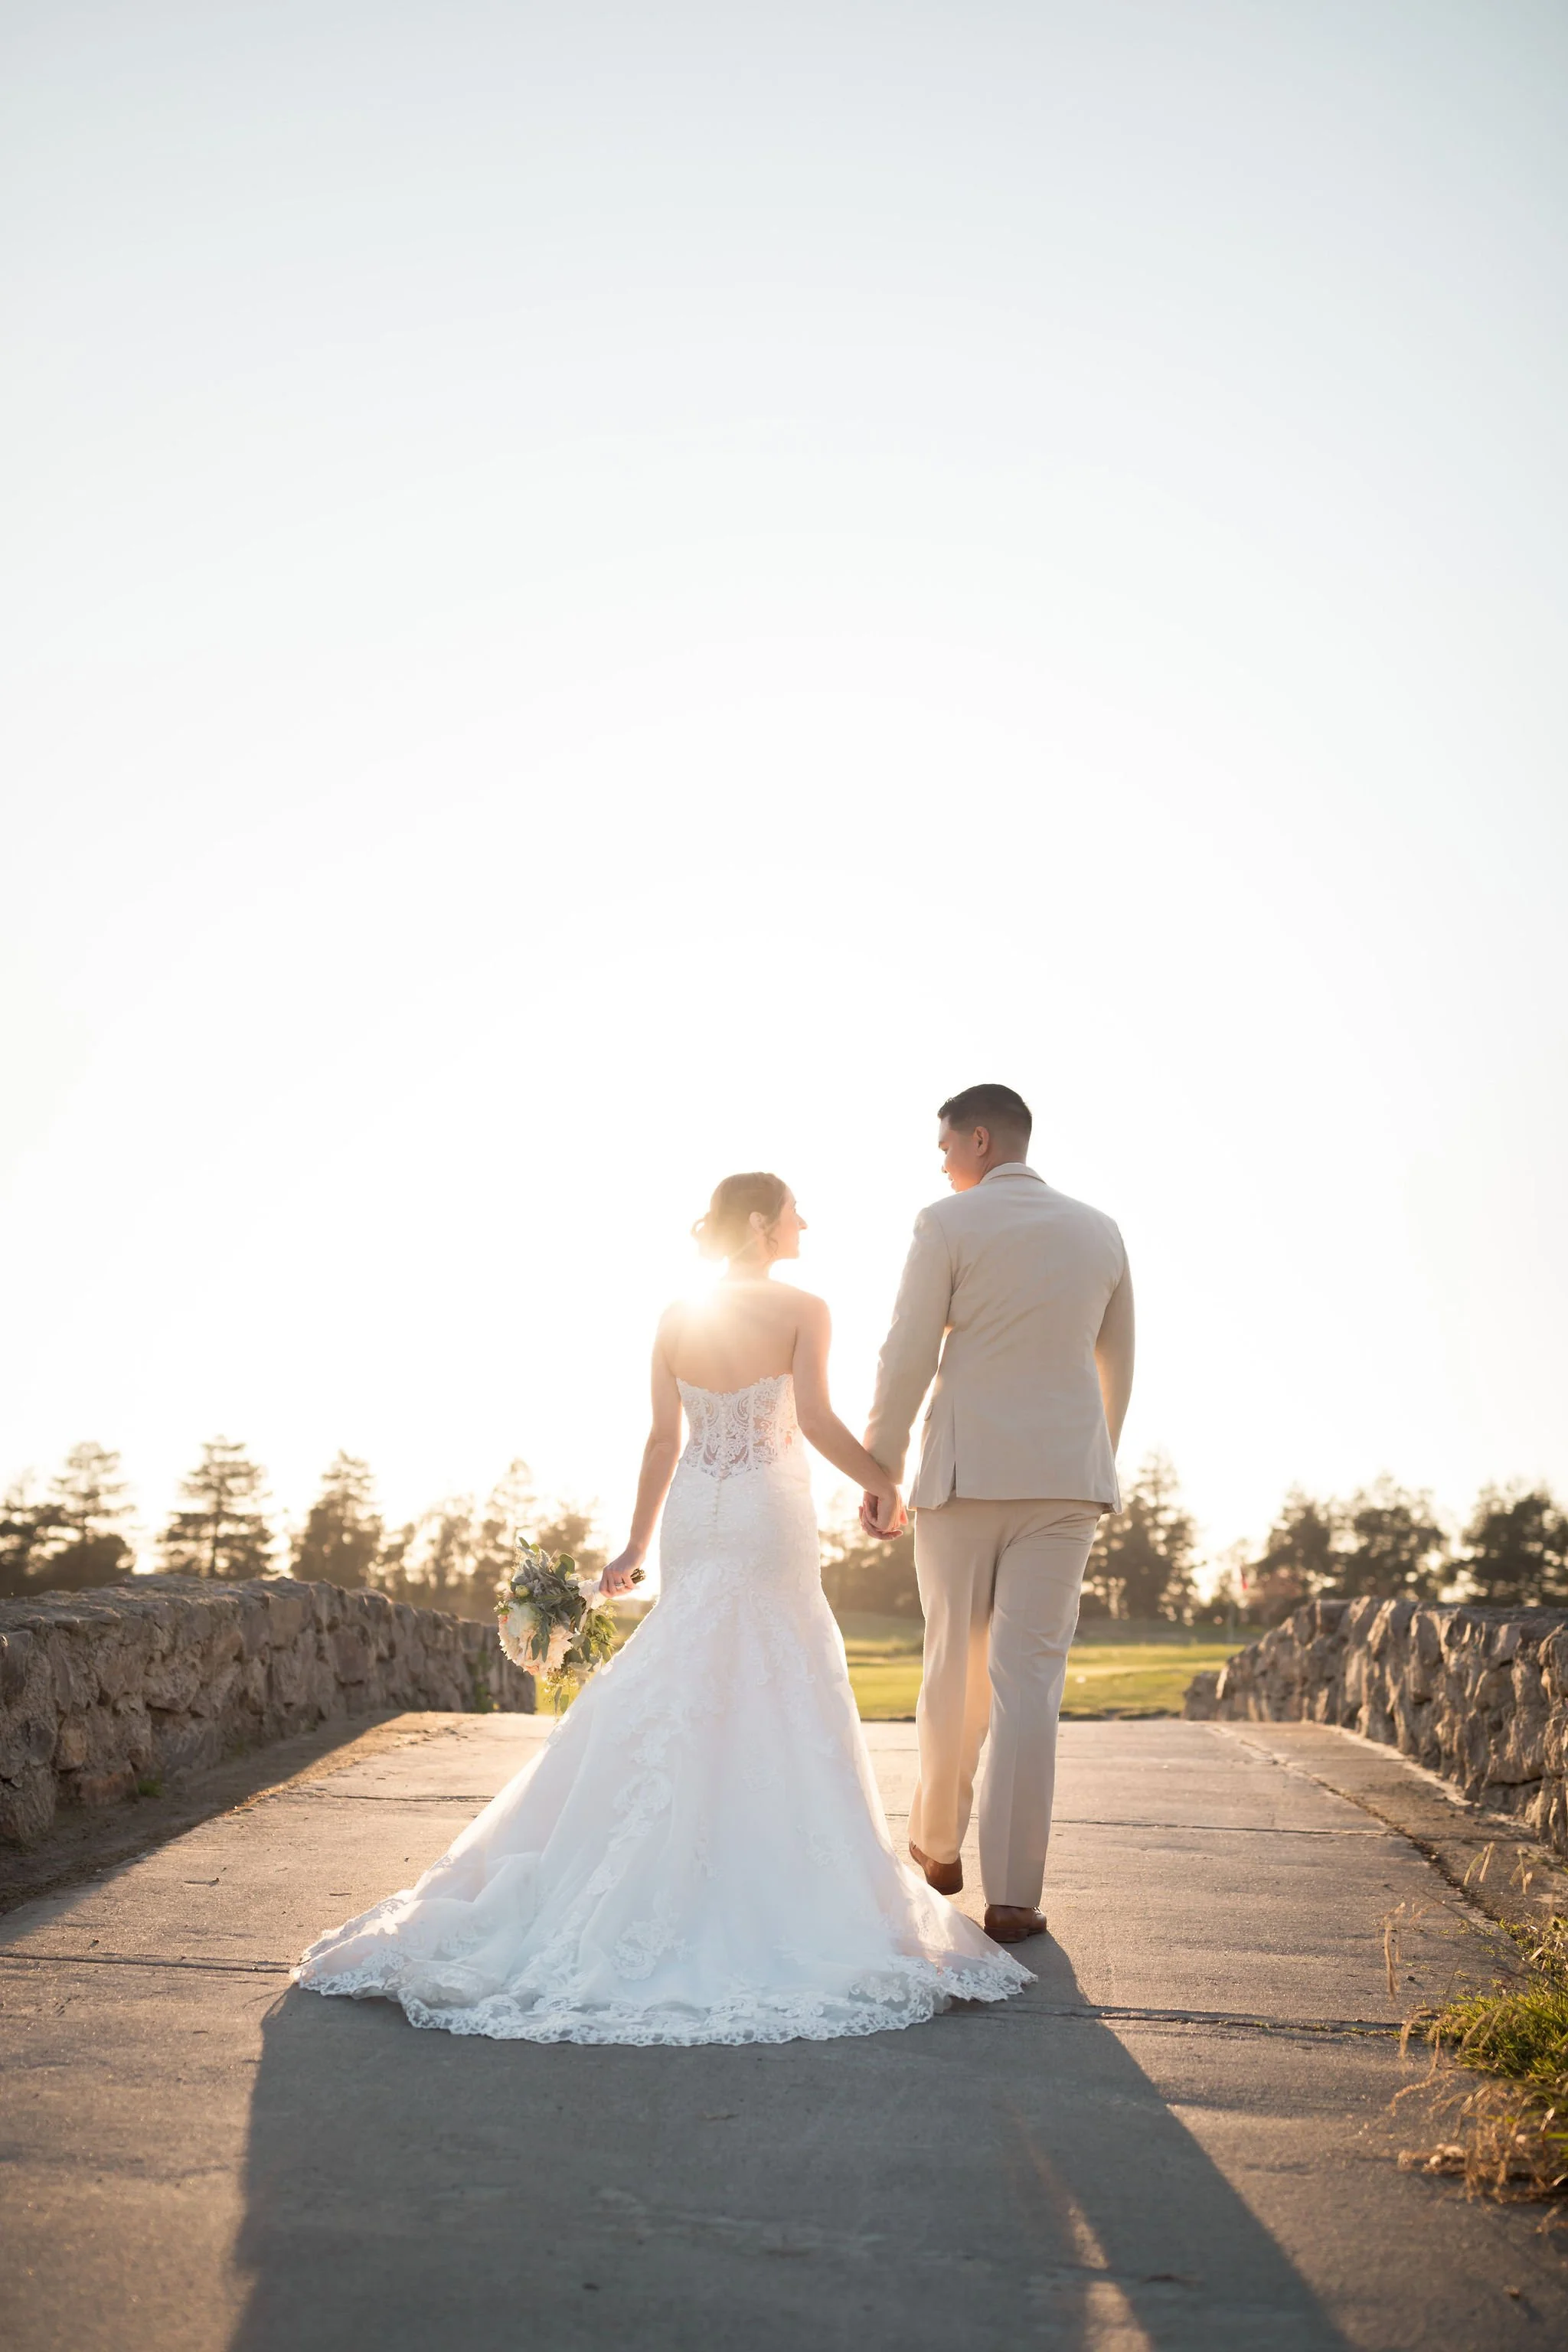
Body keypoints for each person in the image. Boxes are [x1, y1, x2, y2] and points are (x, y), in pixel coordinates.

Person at [296, 1171, 1030, 2043]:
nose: (805, 1223)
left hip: (694, 1509)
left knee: (691, 1653)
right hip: (764, 1508)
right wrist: (881, 1480)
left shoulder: (675, 1318)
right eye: (795, 1211)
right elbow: (821, 1420)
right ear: (761, 1224)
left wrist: (634, 1546)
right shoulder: (803, 1308)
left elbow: (660, 1440)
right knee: (774, 1665)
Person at [861, 1085, 1135, 1945]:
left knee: (952, 1665)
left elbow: (907, 1346)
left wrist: (881, 1464)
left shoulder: (946, 1222)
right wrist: (1087, 1459)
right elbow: (1115, 1363)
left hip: (961, 1475)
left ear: (979, 1140)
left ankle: (937, 1849)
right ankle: (1014, 1896)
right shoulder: (1100, 1230)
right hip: (1064, 1485)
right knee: (1029, 1685)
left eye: (945, 1145)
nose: (941, 1161)